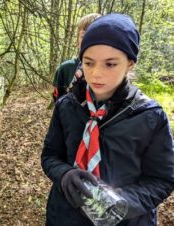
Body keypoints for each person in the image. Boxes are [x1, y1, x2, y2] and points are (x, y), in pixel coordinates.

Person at [41, 13, 174, 226]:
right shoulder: (67, 106)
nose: (96, 74)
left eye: (110, 64)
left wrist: (123, 204)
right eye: (89, 62)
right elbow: (50, 155)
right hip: (66, 216)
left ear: (130, 63)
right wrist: (65, 174)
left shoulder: (150, 116)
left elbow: (162, 179)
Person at [52, 13, 101, 102]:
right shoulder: (65, 68)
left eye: (95, 35)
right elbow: (58, 100)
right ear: (77, 42)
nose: (88, 40)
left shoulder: (110, 68)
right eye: (83, 36)